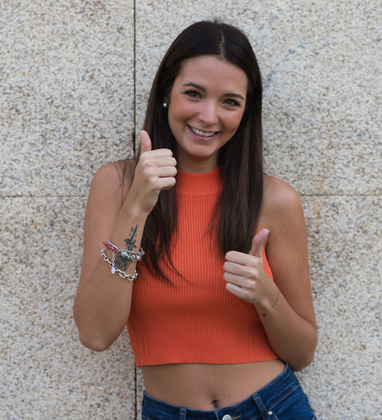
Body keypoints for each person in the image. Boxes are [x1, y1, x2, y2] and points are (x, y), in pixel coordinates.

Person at [73, 21, 317, 419]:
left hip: (273, 407)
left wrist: (265, 294)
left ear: (245, 111)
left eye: (230, 102)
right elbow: (95, 333)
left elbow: (303, 352)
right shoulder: (116, 186)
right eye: (194, 94)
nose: (208, 116)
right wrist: (136, 207)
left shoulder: (274, 199)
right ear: (167, 93)